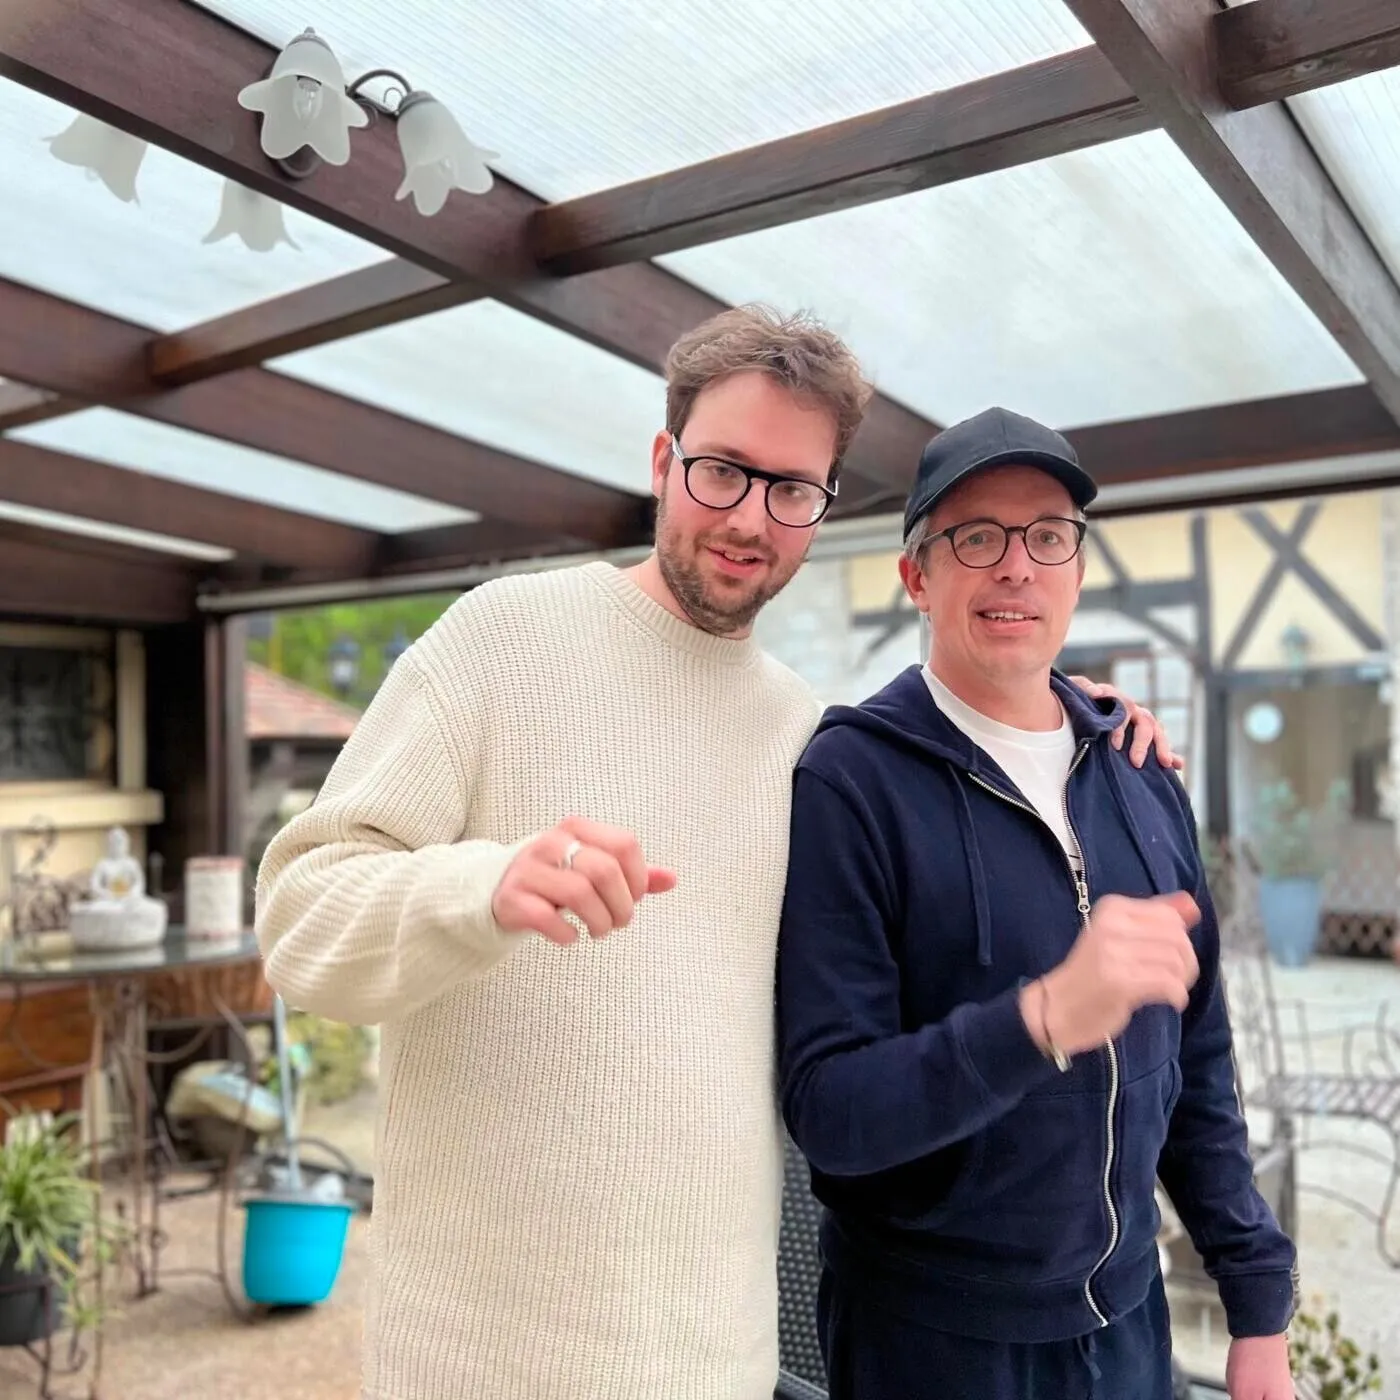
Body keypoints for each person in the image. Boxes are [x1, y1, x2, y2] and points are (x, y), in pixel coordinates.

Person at [255, 312, 1177, 1400]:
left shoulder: (807, 739)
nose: (750, 517)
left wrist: (1075, 724)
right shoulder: (502, 639)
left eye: (791, 489)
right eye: (723, 471)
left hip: (714, 1359)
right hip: (483, 1358)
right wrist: (483, 886)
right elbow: (299, 920)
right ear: (662, 461)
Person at [774, 406, 1298, 1400]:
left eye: (1047, 535)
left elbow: (1197, 1059)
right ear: (917, 576)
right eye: (976, 536)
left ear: (1077, 568)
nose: (1016, 566)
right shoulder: (849, 782)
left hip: (1129, 1324)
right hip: (931, 1339)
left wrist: (1256, 1298)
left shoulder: (1138, 772)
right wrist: (1043, 1018)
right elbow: (829, 1110)